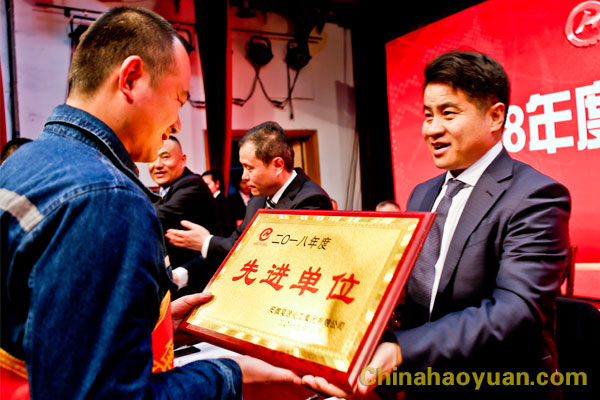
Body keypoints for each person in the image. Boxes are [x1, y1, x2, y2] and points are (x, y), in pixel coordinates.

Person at [0, 7, 300, 400]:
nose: (177, 123)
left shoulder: (22, 162)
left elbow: (46, 325)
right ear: (131, 78)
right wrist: (232, 376)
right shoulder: (106, 198)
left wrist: (150, 325)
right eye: (178, 99)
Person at [303, 50, 570, 399]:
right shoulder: (423, 193)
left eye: (448, 113)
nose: (431, 129)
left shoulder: (535, 195)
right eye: (428, 115)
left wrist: (402, 349)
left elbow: (517, 310)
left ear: (495, 116)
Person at [165, 121, 333, 286]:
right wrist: (181, 275)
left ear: (277, 165)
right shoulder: (258, 199)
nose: (244, 176)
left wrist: (207, 242)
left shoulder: (311, 200)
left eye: (250, 168)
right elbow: (235, 247)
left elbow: (273, 257)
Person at [148, 136, 221, 285]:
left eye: (165, 157)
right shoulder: (165, 190)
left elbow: (158, 217)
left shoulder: (192, 184)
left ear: (182, 160)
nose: (158, 165)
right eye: (153, 158)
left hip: (200, 279)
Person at [202, 169, 235, 236]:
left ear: (217, 183)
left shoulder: (224, 202)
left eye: (207, 184)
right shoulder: (208, 201)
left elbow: (226, 227)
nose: (204, 187)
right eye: (203, 185)